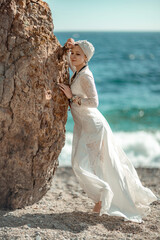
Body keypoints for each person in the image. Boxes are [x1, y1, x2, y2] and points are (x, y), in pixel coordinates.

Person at [58, 38, 157, 223]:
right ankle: (103, 198)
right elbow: (68, 64)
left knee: (95, 164)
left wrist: (73, 98)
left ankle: (103, 200)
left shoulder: (86, 75)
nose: (73, 56)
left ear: (86, 58)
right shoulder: (78, 72)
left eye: (78, 54)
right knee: (83, 163)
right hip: (84, 126)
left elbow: (95, 102)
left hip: (94, 126)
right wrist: (66, 48)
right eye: (73, 53)